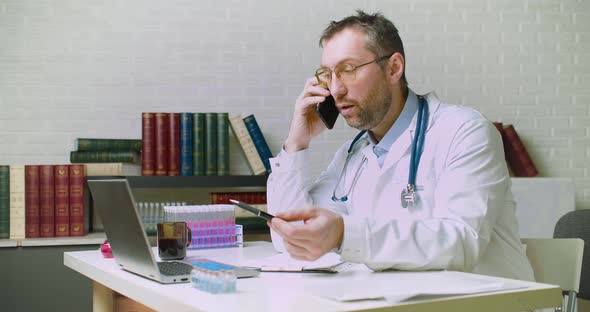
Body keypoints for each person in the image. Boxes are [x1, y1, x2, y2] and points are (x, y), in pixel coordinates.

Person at [265, 10, 534, 281]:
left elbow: (461, 243)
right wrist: (296, 143)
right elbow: (290, 239)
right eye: (328, 75)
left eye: (348, 70)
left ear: (394, 68)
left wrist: (345, 233)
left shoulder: (466, 131)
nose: (335, 90)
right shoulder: (352, 155)